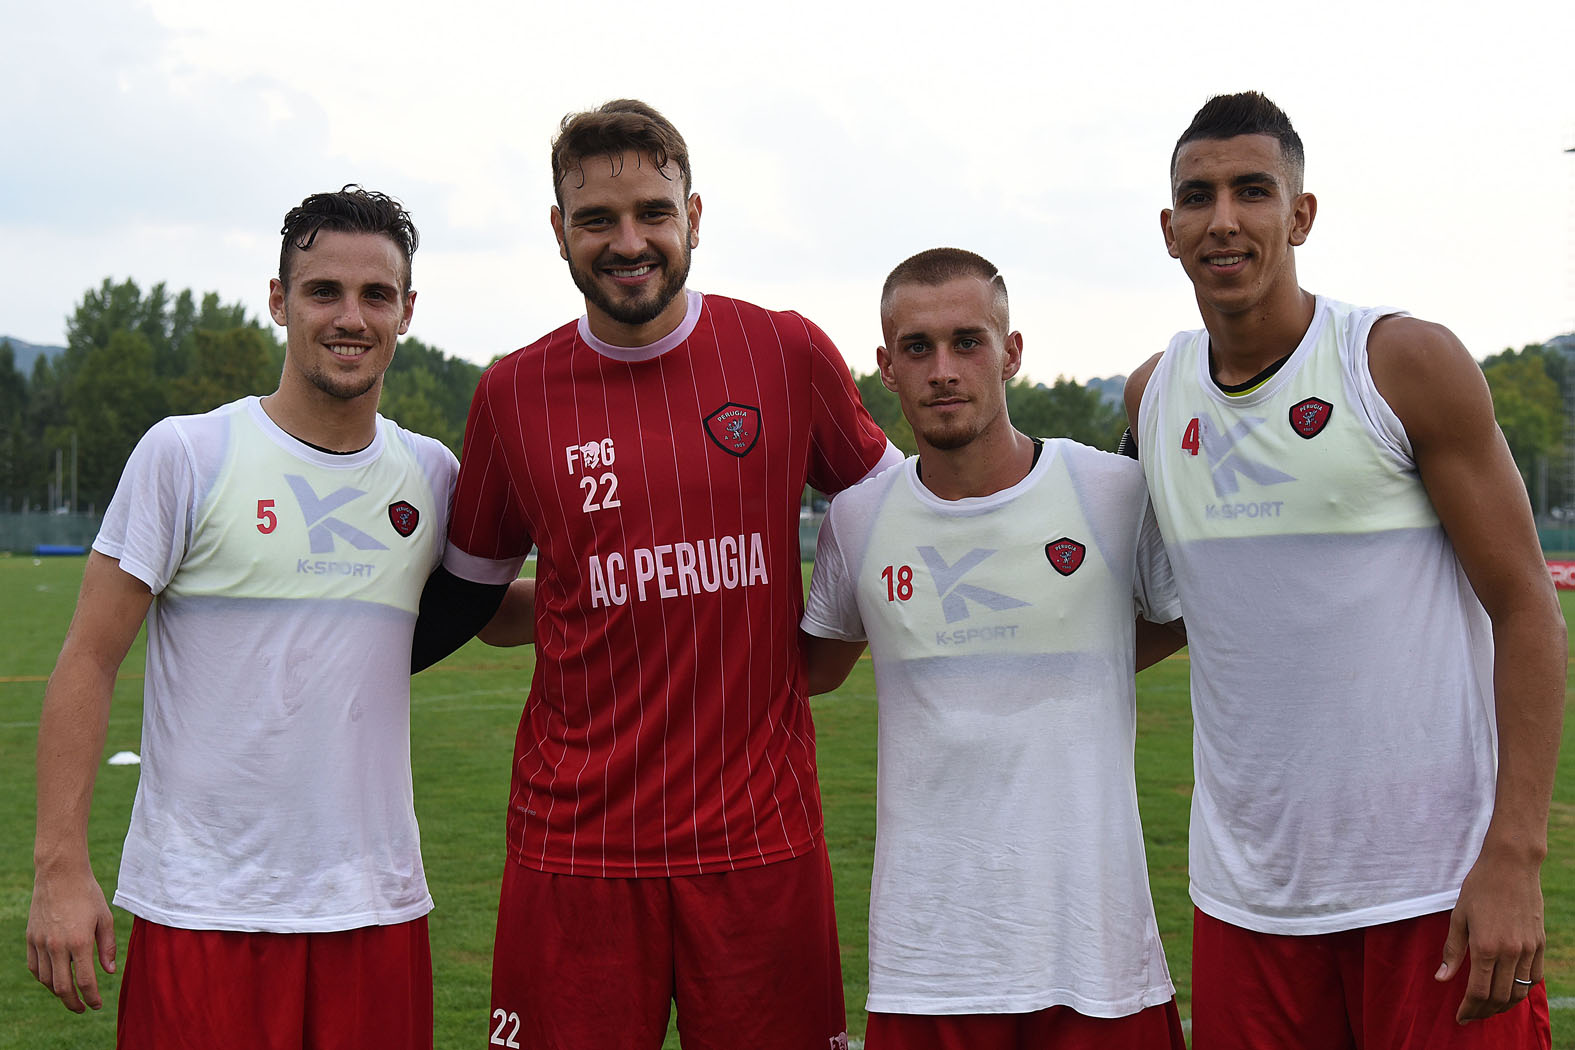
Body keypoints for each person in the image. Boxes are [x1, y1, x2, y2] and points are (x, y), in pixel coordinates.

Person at [414, 99, 900, 1050]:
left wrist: (832, 639)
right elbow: (470, 596)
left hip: (757, 840)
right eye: (597, 220)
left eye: (652, 213)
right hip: (576, 843)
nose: (627, 241)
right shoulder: (512, 392)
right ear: (559, 231)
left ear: (694, 217)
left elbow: (893, 511)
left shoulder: (784, 350)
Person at [1125, 91, 1564, 1048]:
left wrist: (1515, 855)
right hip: (1247, 904)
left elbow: (1527, 605)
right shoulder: (1155, 394)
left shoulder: (1396, 362)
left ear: (1300, 215)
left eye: (1252, 191)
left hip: (1431, 888)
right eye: (1197, 198)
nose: (1224, 220)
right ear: (1168, 229)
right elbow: (1173, 612)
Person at [27, 186, 458, 1049]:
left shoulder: (431, 474)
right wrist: (59, 867)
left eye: (376, 295)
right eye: (322, 291)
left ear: (406, 312)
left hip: (373, 908)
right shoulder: (189, 453)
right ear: (278, 300)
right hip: (201, 908)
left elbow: (499, 608)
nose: (350, 316)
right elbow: (88, 659)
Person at [800, 248, 1188, 1050]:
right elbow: (813, 668)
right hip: (927, 967)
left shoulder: (1111, 493)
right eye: (917, 348)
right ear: (885, 368)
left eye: (967, 342)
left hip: (1100, 962)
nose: (943, 369)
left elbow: (1188, 620)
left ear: (1011, 352)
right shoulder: (858, 518)